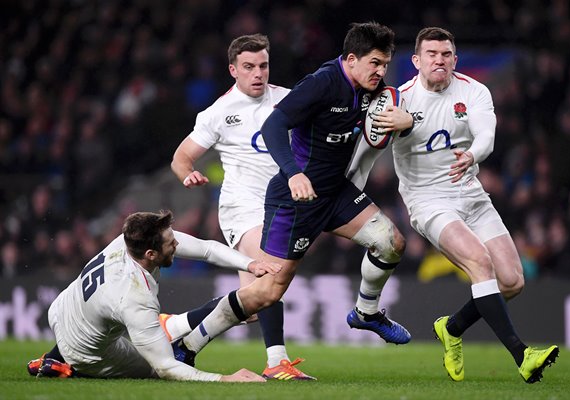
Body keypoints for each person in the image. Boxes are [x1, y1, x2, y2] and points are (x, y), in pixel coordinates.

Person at [172, 22, 415, 364]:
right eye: (375, 63)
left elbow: (385, 118)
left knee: (392, 242)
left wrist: (408, 122)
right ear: (351, 59)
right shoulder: (320, 84)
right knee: (266, 290)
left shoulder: (367, 86)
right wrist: (294, 173)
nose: (381, 71)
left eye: (385, 64)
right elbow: (274, 125)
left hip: (334, 192)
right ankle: (187, 343)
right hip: (294, 200)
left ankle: (366, 313)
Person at [347, 27, 559, 383]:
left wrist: (471, 155)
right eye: (431, 54)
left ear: (455, 59)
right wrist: (347, 200)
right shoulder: (396, 99)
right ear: (416, 61)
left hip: (471, 193)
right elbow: (366, 152)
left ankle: (452, 327)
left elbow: (486, 136)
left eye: (446, 54)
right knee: (479, 261)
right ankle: (523, 355)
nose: (439, 60)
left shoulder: (474, 91)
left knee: (512, 281)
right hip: (428, 200)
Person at [171, 34, 314, 380]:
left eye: (263, 65)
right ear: (233, 70)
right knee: (269, 269)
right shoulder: (219, 112)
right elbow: (181, 157)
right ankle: (277, 360)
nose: (257, 73)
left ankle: (177, 327)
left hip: (280, 206)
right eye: (249, 67)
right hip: (242, 206)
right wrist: (188, 174)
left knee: (252, 303)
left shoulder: (287, 100)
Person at [26, 210, 281, 382]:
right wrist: (225, 379)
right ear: (150, 254)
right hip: (86, 352)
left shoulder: (129, 240)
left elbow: (206, 249)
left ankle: (52, 359)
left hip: (61, 310)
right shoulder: (133, 294)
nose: (177, 245)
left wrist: (251, 265)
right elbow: (165, 367)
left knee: (158, 330)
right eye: (171, 243)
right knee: (153, 367)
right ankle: (68, 366)